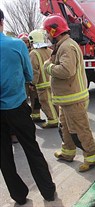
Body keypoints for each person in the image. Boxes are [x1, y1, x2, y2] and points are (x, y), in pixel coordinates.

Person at [0, 9, 55, 205]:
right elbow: (29, 75)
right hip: (16, 106)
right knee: (32, 149)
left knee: (4, 158)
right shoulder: (16, 45)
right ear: (2, 23)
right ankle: (48, 192)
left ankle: (19, 196)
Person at [43, 14, 95, 172]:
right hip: (67, 99)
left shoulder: (67, 46)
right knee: (65, 128)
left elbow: (67, 71)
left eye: (48, 32)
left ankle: (91, 156)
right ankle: (68, 152)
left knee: (81, 129)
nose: (47, 35)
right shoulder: (63, 45)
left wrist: (48, 67)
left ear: (54, 31)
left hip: (74, 99)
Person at [29, 29, 59, 128]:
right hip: (52, 82)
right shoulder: (50, 51)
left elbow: (34, 70)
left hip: (42, 84)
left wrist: (32, 83)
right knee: (54, 101)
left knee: (45, 102)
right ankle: (58, 118)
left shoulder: (34, 53)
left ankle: (52, 120)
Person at [18, 32, 45, 123]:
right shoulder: (18, 52)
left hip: (31, 80)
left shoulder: (33, 52)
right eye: (23, 41)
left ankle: (36, 116)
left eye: (27, 41)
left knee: (35, 99)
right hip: (23, 81)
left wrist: (33, 82)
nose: (26, 43)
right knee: (24, 100)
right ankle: (25, 118)